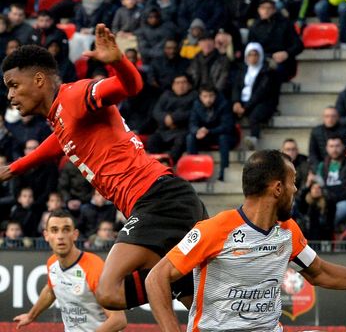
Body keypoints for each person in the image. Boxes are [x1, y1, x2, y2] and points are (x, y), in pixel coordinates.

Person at [0, 24, 208, 311]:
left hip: (156, 200)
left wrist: (119, 62)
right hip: (166, 197)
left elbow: (131, 86)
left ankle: (173, 282)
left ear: (38, 79)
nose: (9, 95)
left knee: (109, 291)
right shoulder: (61, 119)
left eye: (13, 85)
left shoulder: (74, 97)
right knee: (202, 309)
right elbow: (55, 144)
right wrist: (11, 170)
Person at [145, 149, 346, 330]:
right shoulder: (214, 230)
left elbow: (319, 272)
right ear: (277, 188)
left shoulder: (287, 230)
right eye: (293, 181)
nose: (296, 189)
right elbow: (155, 278)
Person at [13, 210, 127, 331]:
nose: (60, 236)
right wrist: (31, 316)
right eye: (54, 230)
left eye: (66, 229)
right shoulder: (52, 263)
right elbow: (50, 291)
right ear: (46, 235)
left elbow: (118, 319)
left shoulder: (93, 267)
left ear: (75, 234)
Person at [186, 84, 237, 181]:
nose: (208, 99)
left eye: (211, 96)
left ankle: (223, 172)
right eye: (205, 96)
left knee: (223, 138)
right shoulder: (196, 105)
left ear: (215, 96)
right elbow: (192, 123)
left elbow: (227, 126)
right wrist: (197, 131)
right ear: (200, 96)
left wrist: (209, 131)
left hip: (222, 136)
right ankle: (193, 171)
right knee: (190, 137)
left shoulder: (224, 104)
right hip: (205, 136)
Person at [147, 74, 196, 162]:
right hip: (164, 130)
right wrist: (165, 118)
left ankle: (169, 162)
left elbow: (192, 112)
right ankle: (156, 164)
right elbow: (156, 111)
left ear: (189, 85)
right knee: (152, 141)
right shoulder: (166, 95)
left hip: (182, 130)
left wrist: (173, 118)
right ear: (173, 86)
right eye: (177, 83)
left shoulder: (194, 96)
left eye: (184, 82)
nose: (180, 85)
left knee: (180, 141)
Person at [317, 135, 346, 228]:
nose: (334, 149)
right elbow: (319, 187)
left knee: (338, 211)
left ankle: (328, 239)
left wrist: (334, 199)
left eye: (337, 146)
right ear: (326, 148)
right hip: (327, 199)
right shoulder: (322, 165)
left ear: (343, 147)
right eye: (331, 146)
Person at [308, 106, 346, 171]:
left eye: (333, 116)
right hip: (322, 166)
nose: (330, 119)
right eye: (327, 116)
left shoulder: (345, 131)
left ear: (337, 117)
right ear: (323, 117)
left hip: (341, 166)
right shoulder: (316, 132)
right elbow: (313, 154)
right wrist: (319, 169)